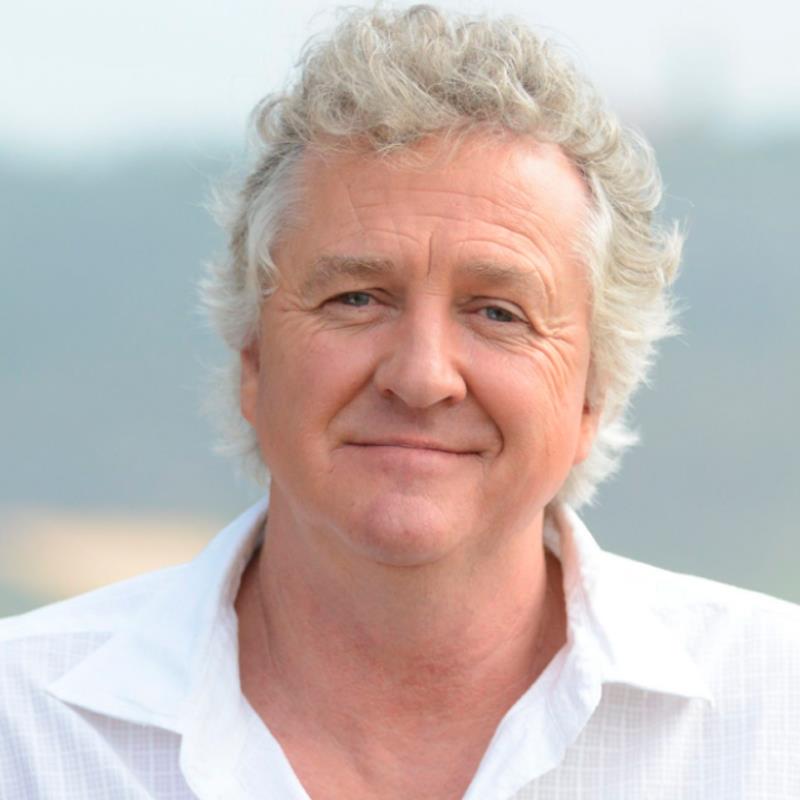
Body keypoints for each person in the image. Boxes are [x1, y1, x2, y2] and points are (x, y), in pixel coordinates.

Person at [1, 5, 798, 799]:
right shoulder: (24, 726)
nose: (421, 377)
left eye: (498, 313)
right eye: (356, 298)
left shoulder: (774, 718)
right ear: (254, 360)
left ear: (594, 394)